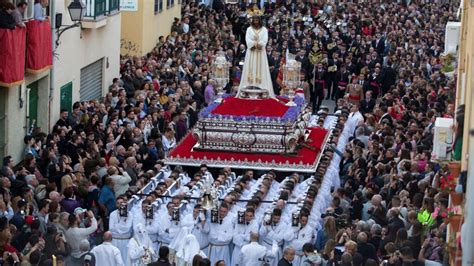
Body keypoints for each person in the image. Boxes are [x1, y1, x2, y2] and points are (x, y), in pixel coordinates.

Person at [237, 6, 275, 98]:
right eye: (254, 20)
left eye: (257, 20)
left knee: (261, 67)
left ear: (260, 20)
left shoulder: (264, 30)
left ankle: (262, 85)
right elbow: (247, 39)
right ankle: (249, 84)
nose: (255, 22)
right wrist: (253, 44)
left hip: (260, 52)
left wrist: (259, 44)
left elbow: (265, 39)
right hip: (251, 51)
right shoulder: (249, 29)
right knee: (250, 66)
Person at [108, 196, 133, 265]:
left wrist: (117, 227)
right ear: (116, 204)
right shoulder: (112, 214)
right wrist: (122, 226)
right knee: (115, 260)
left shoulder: (130, 214)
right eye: (118, 203)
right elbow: (111, 228)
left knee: (126, 260)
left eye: (121, 203)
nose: (120, 205)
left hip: (126, 241)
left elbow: (127, 228)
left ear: (125, 203)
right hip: (115, 241)